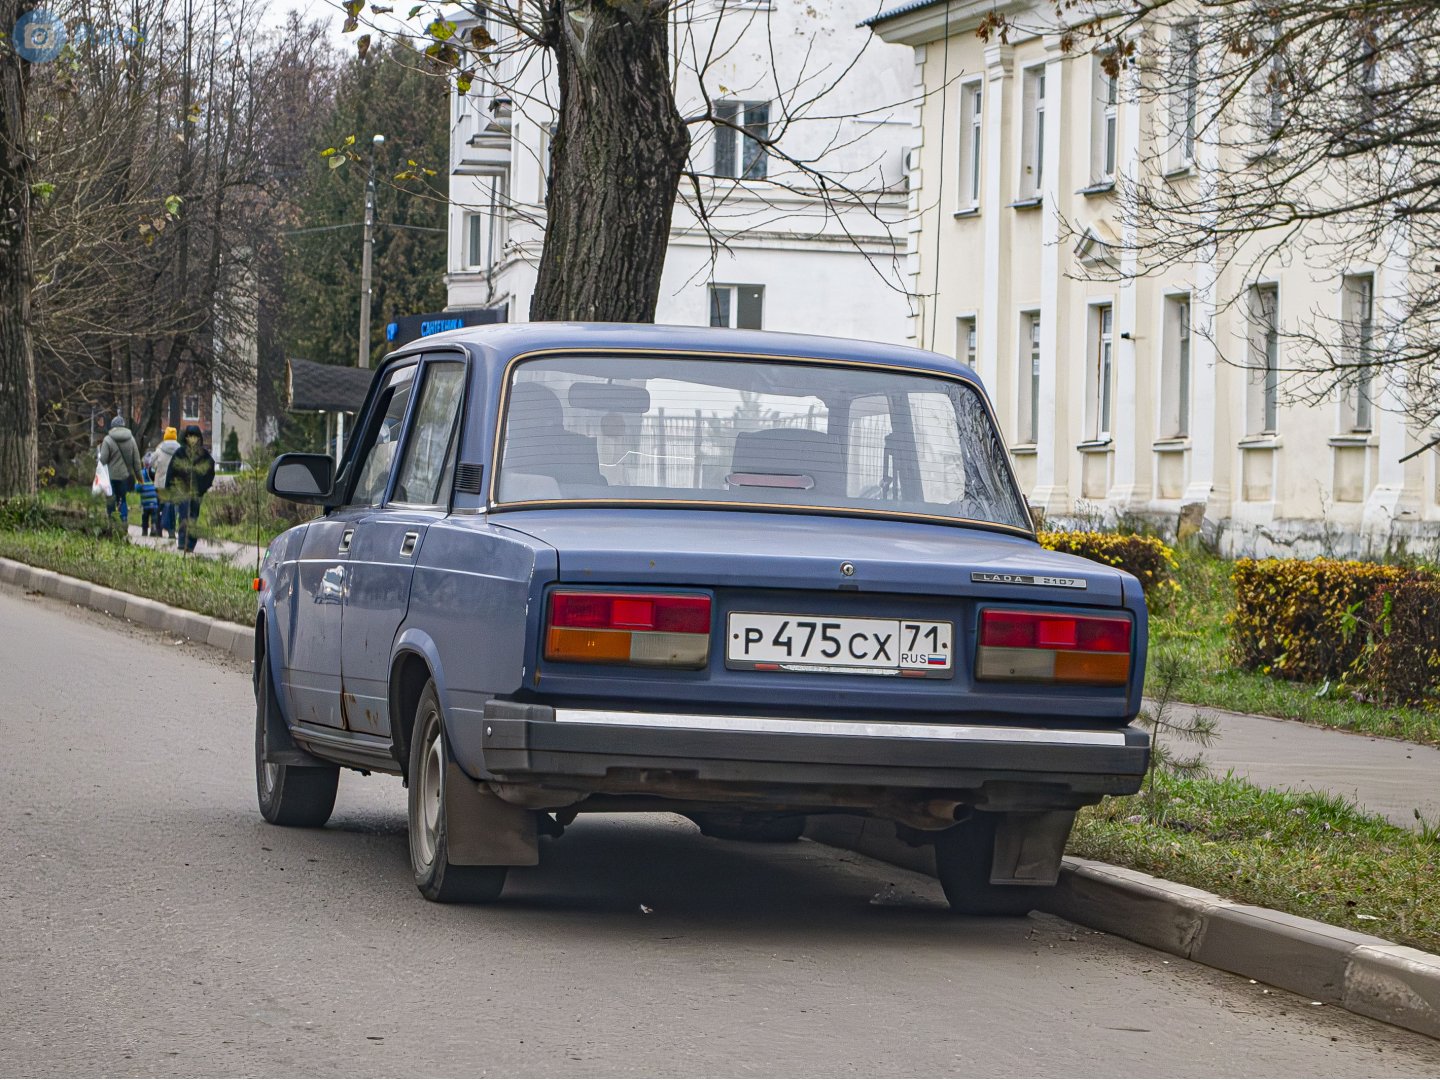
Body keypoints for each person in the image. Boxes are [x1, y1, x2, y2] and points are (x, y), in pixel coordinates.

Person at [164, 424, 215, 553]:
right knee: (189, 517)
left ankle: (186, 542)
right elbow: (172, 471)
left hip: (192, 492)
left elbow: (209, 472)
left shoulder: (193, 454)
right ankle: (185, 543)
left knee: (187, 517)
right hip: (187, 492)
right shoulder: (190, 453)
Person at [98, 416, 143, 524]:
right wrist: (139, 477)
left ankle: (112, 521)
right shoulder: (131, 439)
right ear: (123, 425)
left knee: (111, 498)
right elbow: (136, 460)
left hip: (111, 476)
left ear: (112, 426)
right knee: (122, 498)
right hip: (124, 476)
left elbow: (103, 460)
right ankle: (124, 519)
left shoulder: (108, 440)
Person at [152, 426, 181, 539]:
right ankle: (171, 531)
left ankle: (158, 530)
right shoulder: (180, 450)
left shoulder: (159, 450)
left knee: (159, 506)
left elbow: (151, 464)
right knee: (172, 507)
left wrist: (157, 469)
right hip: (174, 484)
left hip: (160, 484)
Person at [136, 455, 161, 537]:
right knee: (154, 515)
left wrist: (137, 487)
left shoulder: (141, 473)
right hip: (154, 500)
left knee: (145, 517)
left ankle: (144, 530)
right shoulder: (154, 473)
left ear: (143, 463)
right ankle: (153, 526)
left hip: (145, 502)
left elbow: (137, 488)